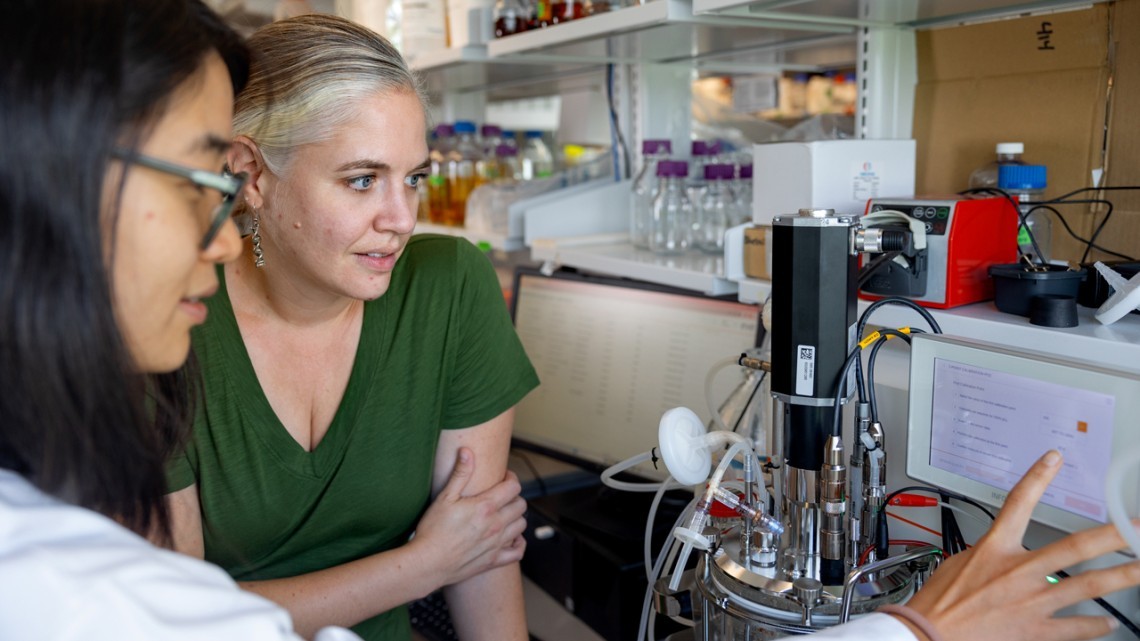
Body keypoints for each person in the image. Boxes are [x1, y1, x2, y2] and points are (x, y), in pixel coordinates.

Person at [163, 14, 538, 641]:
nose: (401, 218)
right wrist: (423, 564)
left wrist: (450, 557)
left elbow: (482, 556)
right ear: (252, 175)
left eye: (414, 178)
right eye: (362, 180)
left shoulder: (448, 288)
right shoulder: (168, 324)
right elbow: (178, 618)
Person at [0, 0, 357, 638]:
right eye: (197, 183)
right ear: (46, 170)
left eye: (416, 177)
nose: (221, 242)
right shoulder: (78, 597)